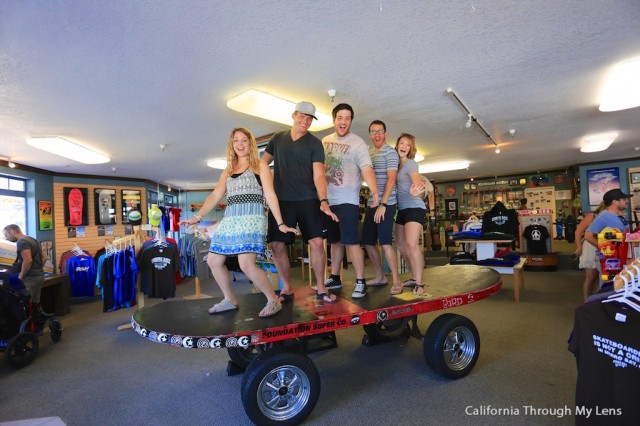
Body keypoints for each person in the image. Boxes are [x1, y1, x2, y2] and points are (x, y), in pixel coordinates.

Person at [179, 127, 299, 318]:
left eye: (244, 140)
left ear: (250, 143)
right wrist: (197, 217)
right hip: (230, 220)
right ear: (231, 144)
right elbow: (215, 195)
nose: (240, 144)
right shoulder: (227, 170)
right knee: (213, 260)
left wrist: (281, 223)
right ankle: (230, 299)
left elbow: (270, 194)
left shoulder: (260, 166)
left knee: (246, 264)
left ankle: (273, 300)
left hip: (252, 218)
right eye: (236, 140)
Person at [261, 101, 339, 304]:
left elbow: (319, 175)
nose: (305, 121)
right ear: (294, 115)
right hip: (282, 201)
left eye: (310, 118)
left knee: (316, 243)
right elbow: (262, 163)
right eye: (302, 116)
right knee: (277, 244)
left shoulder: (314, 143)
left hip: (308, 200)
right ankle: (286, 287)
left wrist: (323, 200)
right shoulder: (278, 138)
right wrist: (265, 187)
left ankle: (321, 287)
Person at [322, 103, 379, 298]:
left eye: (347, 118)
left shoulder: (358, 143)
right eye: (340, 117)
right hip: (329, 201)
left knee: (351, 242)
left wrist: (375, 192)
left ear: (351, 121)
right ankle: (335, 277)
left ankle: (361, 281)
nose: (343, 121)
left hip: (348, 201)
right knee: (335, 241)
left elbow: (367, 169)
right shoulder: (325, 141)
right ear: (334, 120)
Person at [361, 120, 402, 295]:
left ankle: (397, 281)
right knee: (367, 241)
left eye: (380, 131)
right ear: (370, 135)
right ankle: (380, 276)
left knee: (385, 242)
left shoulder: (390, 153)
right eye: (373, 132)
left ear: (385, 133)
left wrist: (383, 204)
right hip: (373, 203)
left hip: (387, 204)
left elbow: (391, 180)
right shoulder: (369, 153)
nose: (377, 135)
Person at [394, 133, 428, 295]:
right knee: (400, 245)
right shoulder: (396, 165)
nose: (404, 147)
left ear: (411, 149)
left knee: (412, 244)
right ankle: (415, 276)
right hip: (402, 209)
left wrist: (417, 192)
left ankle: (420, 284)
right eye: (402, 143)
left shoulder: (410, 164)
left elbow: (418, 184)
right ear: (397, 145)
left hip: (414, 207)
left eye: (408, 145)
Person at [2, 224, 45, 304]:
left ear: (12, 231)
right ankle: (36, 315)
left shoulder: (22, 242)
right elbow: (44, 258)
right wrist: (37, 268)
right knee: (35, 301)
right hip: (39, 275)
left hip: (29, 277)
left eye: (6, 235)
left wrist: (21, 276)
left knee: (24, 302)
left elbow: (28, 260)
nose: (7, 238)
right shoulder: (33, 239)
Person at [574, 202, 606, 301]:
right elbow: (578, 232)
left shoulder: (611, 217)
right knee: (591, 277)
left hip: (605, 248)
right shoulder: (592, 216)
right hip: (590, 249)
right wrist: (579, 247)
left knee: (602, 278)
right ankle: (587, 301)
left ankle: (596, 300)